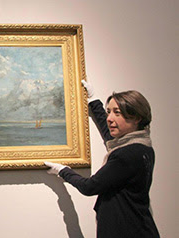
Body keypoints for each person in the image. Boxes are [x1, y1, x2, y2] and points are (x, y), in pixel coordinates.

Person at [44, 80, 160, 238]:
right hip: (138, 227)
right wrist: (93, 101)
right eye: (108, 112)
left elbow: (89, 187)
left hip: (127, 231)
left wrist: (63, 170)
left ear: (136, 118)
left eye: (117, 113)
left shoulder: (127, 154)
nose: (109, 118)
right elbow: (110, 138)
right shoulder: (142, 146)